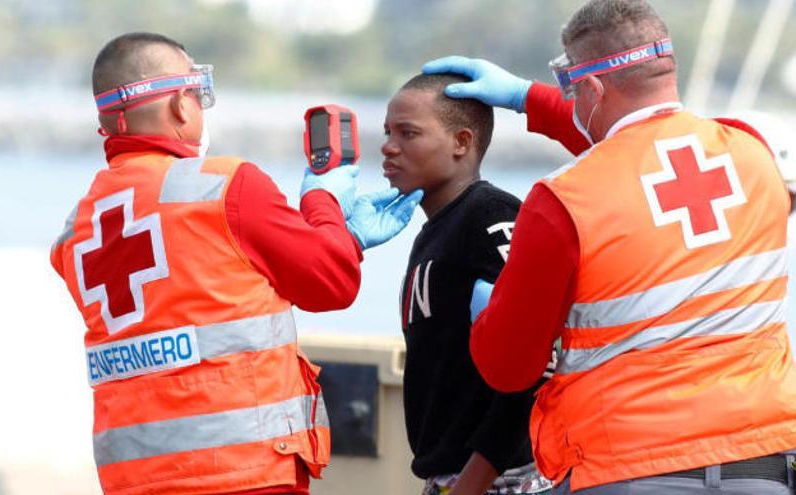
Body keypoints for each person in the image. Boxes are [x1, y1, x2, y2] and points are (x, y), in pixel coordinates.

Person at [422, 0, 796, 493]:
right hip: (762, 465)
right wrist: (529, 98)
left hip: (626, 468)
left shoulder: (561, 202)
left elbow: (508, 370)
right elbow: (642, 157)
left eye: (574, 89)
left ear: (592, 90)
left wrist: (490, 319)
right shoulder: (753, 157)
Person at [49, 32, 421, 495]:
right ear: (182, 106)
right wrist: (325, 201)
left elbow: (192, 296)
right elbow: (331, 282)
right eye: (197, 96)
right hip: (245, 474)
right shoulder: (226, 187)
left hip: (134, 479)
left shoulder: (75, 233)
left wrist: (344, 236)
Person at [363, 72, 552, 495]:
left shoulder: (489, 216)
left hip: (501, 480)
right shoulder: (436, 230)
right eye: (388, 132)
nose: (388, 146)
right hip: (452, 478)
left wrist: (474, 480)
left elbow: (534, 363)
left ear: (461, 142)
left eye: (408, 133)